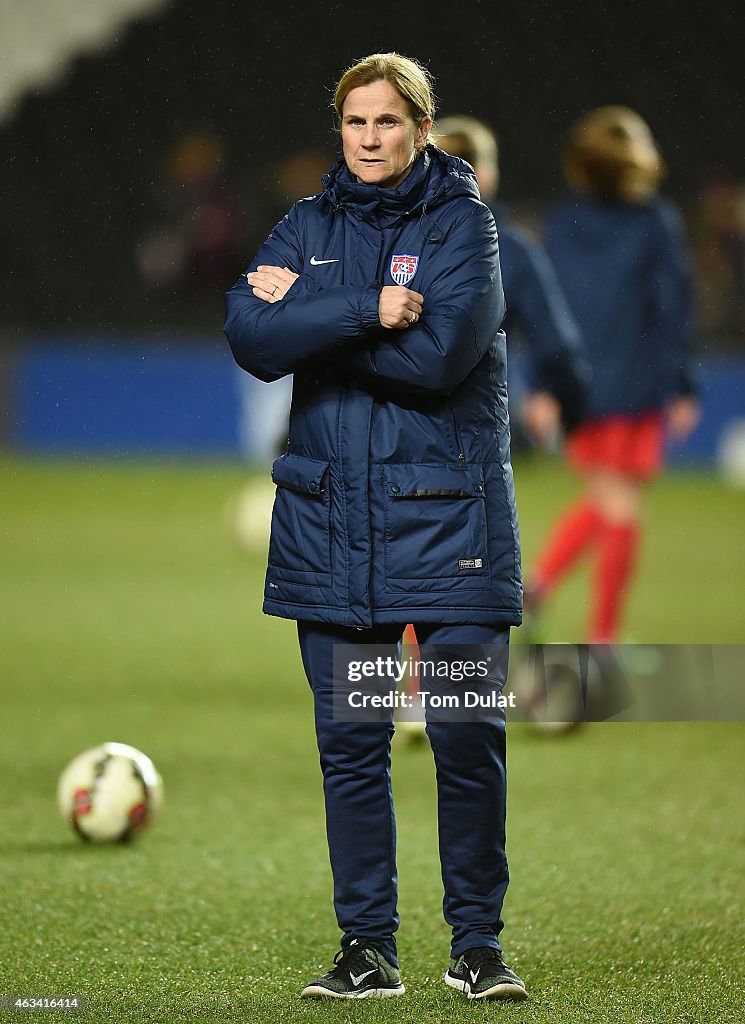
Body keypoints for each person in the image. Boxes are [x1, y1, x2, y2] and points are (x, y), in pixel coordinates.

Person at [224, 53, 527, 1002]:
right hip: (335, 532)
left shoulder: (462, 226)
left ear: (421, 129)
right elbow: (246, 335)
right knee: (353, 748)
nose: (367, 139)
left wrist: (311, 330)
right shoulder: (305, 224)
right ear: (339, 130)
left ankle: (475, 945)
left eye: (386, 123)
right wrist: (360, 310)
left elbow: (439, 358)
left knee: (464, 733)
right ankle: (368, 951)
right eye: (354, 123)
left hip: (450, 528)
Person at [524, 107, 700, 643]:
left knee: (608, 500)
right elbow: (673, 308)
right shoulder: (655, 223)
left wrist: (540, 384)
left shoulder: (561, 223)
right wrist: (684, 385)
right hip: (634, 382)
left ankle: (539, 589)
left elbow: (541, 309)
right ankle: (602, 640)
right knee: (620, 505)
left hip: (579, 385)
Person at [435, 115, 589, 447]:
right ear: (486, 175)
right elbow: (554, 341)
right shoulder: (512, 250)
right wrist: (556, 395)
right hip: (480, 419)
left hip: (393, 415)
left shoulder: (388, 239)